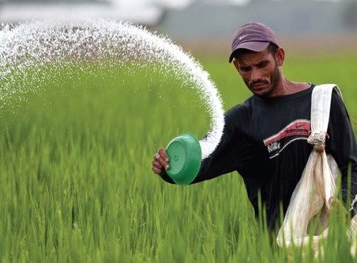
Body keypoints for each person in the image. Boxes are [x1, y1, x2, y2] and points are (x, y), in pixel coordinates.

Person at [151, 22, 357, 230]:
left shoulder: (322, 102)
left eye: (262, 65)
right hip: (276, 248)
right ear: (236, 67)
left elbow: (352, 165)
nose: (254, 77)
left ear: (279, 57)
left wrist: (344, 209)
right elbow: (200, 163)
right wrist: (168, 167)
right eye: (245, 69)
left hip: (327, 238)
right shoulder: (241, 121)